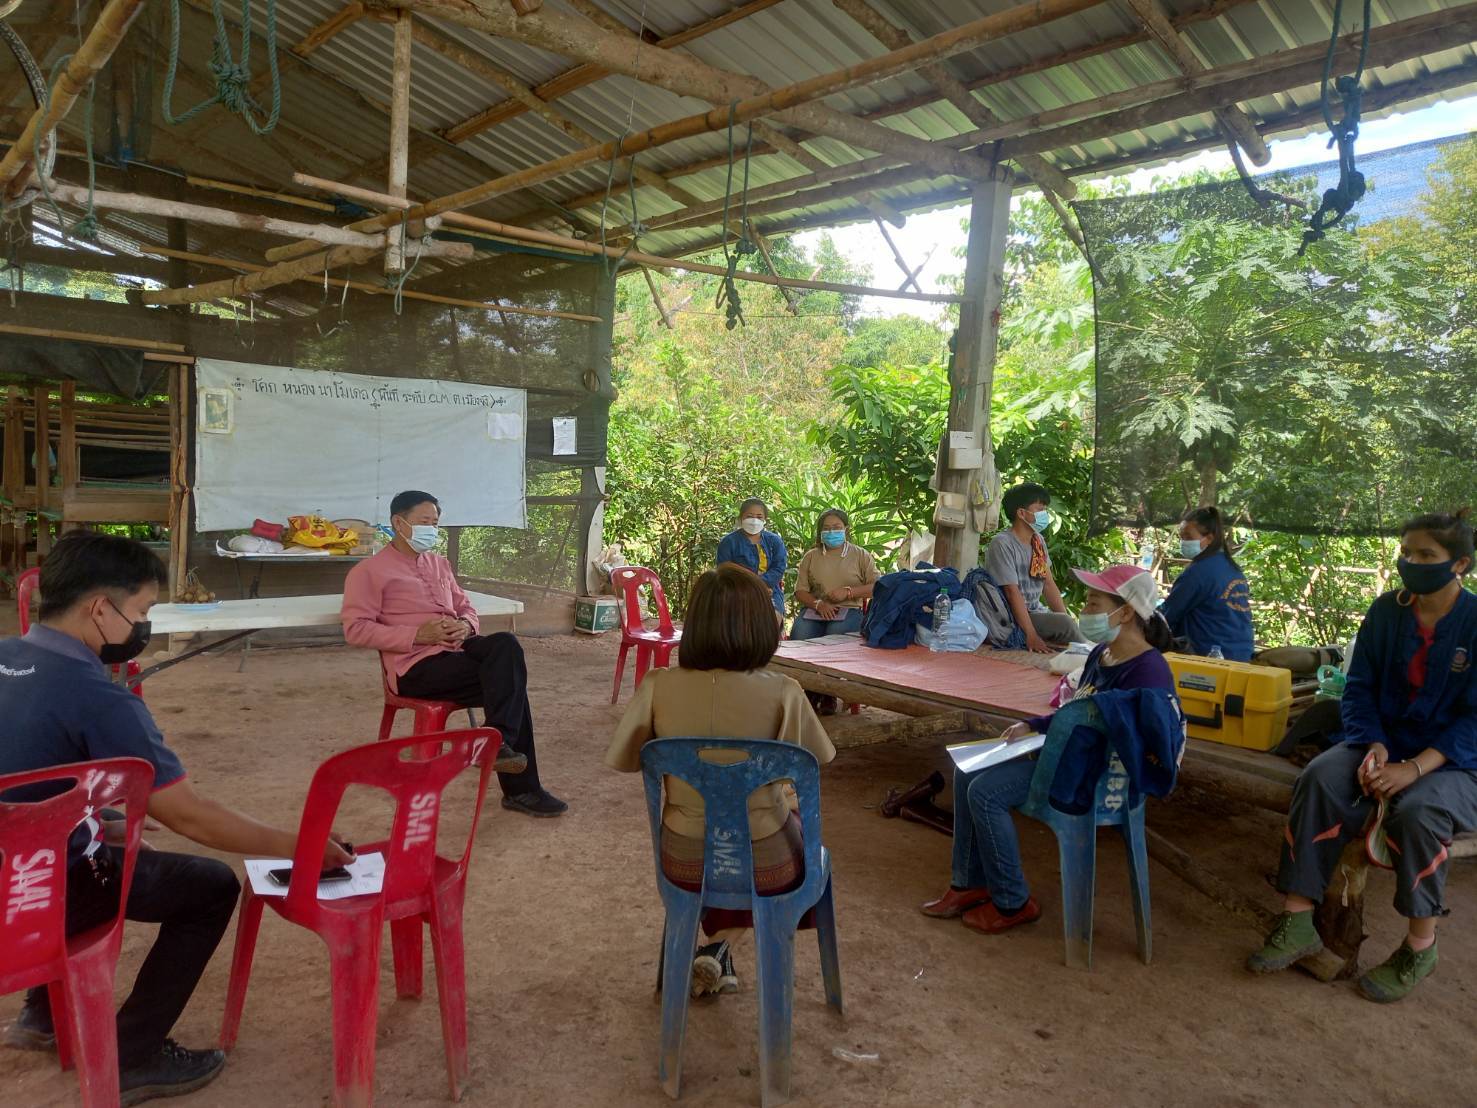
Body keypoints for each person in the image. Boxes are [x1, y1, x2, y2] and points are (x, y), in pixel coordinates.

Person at [0, 532, 353, 1103]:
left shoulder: (7, 655)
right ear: (98, 609)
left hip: (6, 870)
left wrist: (90, 816)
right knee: (208, 886)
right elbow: (192, 817)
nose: (142, 627)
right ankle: (132, 1056)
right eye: (139, 612)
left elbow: (25, 768)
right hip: (36, 894)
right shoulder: (101, 698)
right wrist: (300, 843)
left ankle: (41, 1014)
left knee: (106, 847)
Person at [1248, 511, 1477, 1003]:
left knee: (1419, 812)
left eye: (1426, 555)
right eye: (1407, 551)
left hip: (1455, 762)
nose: (1410, 562)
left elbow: (1474, 722)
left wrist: (1413, 769)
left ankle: (1420, 946)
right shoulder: (1386, 611)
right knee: (1320, 778)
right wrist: (1373, 743)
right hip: (1381, 743)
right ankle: (1297, 918)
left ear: (1460, 564)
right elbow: (1360, 689)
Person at [605, 564, 834, 998]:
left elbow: (626, 758)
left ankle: (717, 950)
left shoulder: (657, 686)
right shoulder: (785, 691)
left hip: (682, 859)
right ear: (759, 627)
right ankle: (721, 948)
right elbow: (816, 761)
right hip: (766, 863)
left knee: (712, 842)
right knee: (800, 842)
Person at [920, 565, 1177, 933]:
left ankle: (1013, 902)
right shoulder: (1101, 654)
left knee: (985, 793)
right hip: (1067, 759)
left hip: (1092, 778)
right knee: (966, 772)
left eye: (1093, 603)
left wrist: (1058, 739)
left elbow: (1138, 741)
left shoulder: (1149, 671)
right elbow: (1077, 711)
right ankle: (969, 883)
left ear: (1126, 612)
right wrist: (1033, 725)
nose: (1085, 611)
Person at [341, 490, 566, 817]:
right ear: (398, 523)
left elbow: (466, 607)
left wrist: (466, 625)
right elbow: (356, 629)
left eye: (435, 522)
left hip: (458, 650)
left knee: (505, 645)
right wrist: (417, 634)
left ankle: (495, 742)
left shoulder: (439, 563)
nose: (431, 529)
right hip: (417, 667)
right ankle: (522, 790)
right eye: (424, 522)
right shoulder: (368, 572)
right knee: (511, 686)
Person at [984, 483, 1080, 653]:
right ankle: (1096, 656)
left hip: (1035, 613)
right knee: (1066, 625)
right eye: (1040, 508)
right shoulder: (1002, 543)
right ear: (1021, 513)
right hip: (1011, 617)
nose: (1045, 514)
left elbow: (1049, 585)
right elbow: (1011, 592)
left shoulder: (1038, 541)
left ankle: (1090, 649)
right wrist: (1031, 635)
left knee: (1067, 623)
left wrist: (1064, 619)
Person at [1161, 506, 1254, 661]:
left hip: (1210, 656)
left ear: (1209, 538)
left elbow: (1168, 616)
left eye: (1188, 537)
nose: (1183, 542)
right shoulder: (1233, 569)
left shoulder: (1198, 573)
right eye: (1181, 537)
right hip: (1242, 654)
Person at [790, 508, 879, 641]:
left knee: (835, 637)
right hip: (815, 609)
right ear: (821, 532)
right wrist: (819, 605)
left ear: (846, 529)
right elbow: (800, 591)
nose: (831, 532)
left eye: (836, 527)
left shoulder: (861, 555)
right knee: (801, 634)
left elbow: (877, 587)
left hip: (849, 610)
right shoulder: (811, 556)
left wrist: (849, 592)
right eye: (826, 528)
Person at [716, 498, 787, 617]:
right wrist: (751, 586)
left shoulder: (775, 541)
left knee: (772, 619)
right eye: (750, 516)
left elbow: (779, 568)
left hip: (769, 591)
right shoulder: (728, 542)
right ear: (741, 518)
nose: (754, 521)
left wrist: (761, 585)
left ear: (765, 520)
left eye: (759, 517)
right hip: (736, 592)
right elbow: (723, 570)